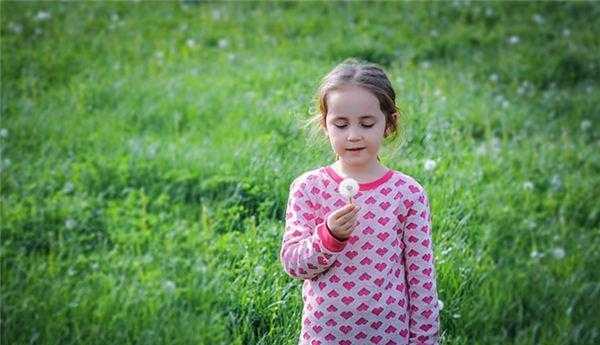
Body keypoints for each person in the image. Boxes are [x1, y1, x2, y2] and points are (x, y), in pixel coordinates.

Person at [279, 58, 441, 345]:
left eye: (366, 124)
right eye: (340, 125)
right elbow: (294, 264)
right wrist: (328, 237)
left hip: (389, 335)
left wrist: (425, 340)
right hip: (325, 334)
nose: (353, 136)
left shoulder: (407, 194)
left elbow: (422, 282)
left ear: (388, 124)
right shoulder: (309, 188)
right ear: (325, 125)